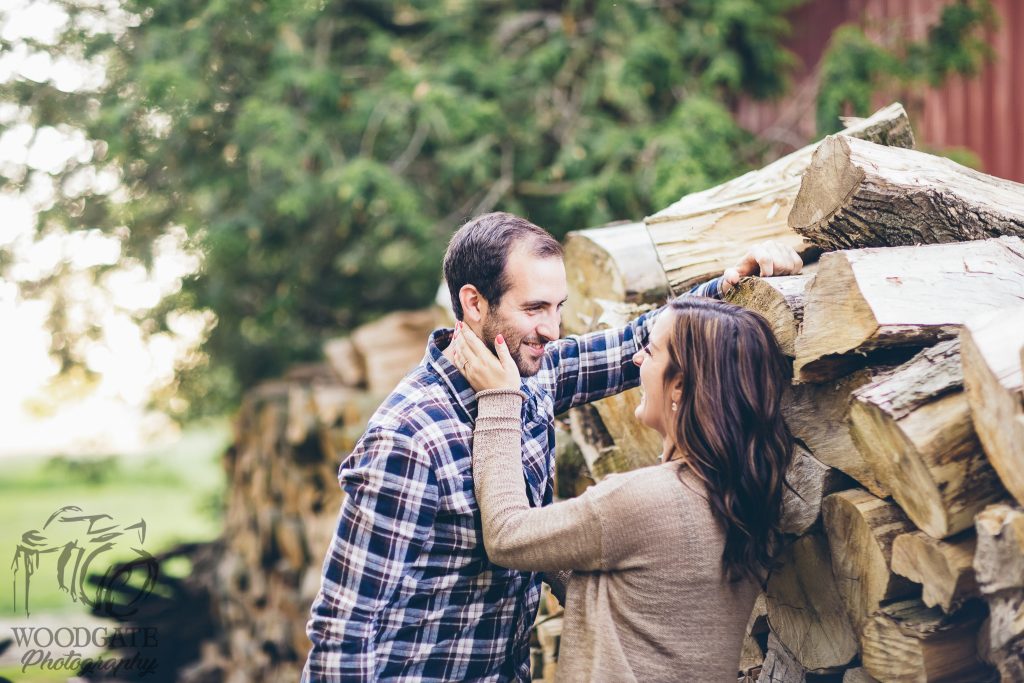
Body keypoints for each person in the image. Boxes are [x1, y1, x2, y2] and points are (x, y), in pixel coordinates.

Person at [302, 212, 802, 682]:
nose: (552, 329)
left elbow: (642, 346)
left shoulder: (535, 375)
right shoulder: (408, 439)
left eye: (558, 307)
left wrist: (730, 284)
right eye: (534, 308)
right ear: (474, 304)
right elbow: (344, 631)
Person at [453, 297, 794, 682]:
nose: (637, 360)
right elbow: (639, 600)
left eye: (650, 350)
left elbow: (506, 536)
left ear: (679, 384)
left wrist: (499, 400)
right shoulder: (737, 496)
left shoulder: (641, 501)